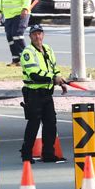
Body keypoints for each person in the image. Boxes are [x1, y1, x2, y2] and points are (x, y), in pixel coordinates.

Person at [19, 24, 67, 163]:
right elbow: (34, 74)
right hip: (33, 94)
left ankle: (48, 154)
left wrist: (60, 81)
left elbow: (54, 68)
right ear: (30, 37)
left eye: (39, 33)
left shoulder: (48, 49)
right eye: (34, 34)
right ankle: (26, 154)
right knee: (33, 124)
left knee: (51, 123)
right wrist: (53, 78)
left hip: (47, 93)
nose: (37, 36)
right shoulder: (28, 52)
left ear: (43, 35)